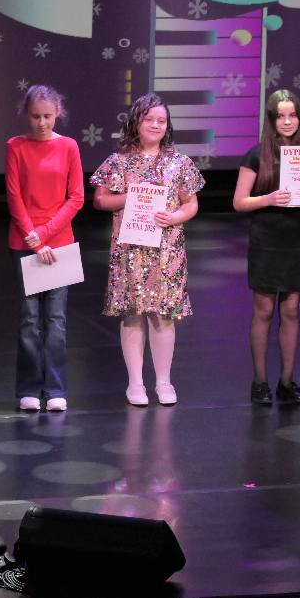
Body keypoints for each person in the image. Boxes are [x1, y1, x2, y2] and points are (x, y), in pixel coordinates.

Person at [90, 93, 203, 407]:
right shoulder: (119, 161)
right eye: (149, 119)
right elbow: (100, 200)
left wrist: (175, 217)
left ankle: (164, 381)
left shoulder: (179, 162)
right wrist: (131, 196)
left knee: (163, 315)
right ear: (136, 122)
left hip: (167, 250)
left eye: (161, 120)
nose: (155, 125)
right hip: (130, 249)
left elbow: (191, 203)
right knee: (133, 313)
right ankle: (135, 383)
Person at [232, 90, 300, 406]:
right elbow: (239, 202)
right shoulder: (256, 155)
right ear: (271, 120)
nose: (287, 121)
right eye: (281, 116)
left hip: (297, 239)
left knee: (291, 309)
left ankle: (287, 381)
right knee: (265, 310)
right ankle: (260, 382)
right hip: (267, 241)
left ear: (299, 118)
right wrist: (268, 199)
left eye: (292, 115)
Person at [6, 85, 84, 412]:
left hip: (59, 244)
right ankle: (28, 388)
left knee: (56, 320)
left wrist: (45, 235)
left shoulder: (69, 147)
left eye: (47, 116)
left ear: (58, 114)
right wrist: (34, 239)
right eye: (36, 116)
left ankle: (55, 388)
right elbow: (14, 197)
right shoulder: (16, 146)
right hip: (25, 243)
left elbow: (76, 197)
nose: (42, 123)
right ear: (27, 114)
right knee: (29, 321)